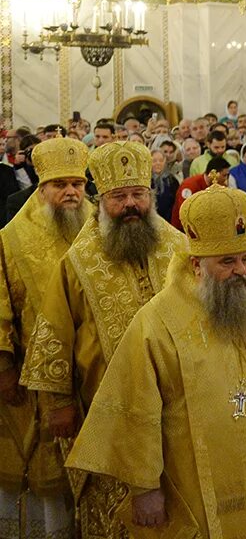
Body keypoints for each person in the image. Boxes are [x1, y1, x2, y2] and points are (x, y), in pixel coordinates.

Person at [66, 185, 246, 537]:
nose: (241, 270)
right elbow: (134, 410)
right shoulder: (157, 323)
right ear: (197, 265)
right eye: (227, 261)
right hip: (198, 485)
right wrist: (146, 488)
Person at [20, 141, 188, 539]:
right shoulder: (79, 261)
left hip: (179, 405)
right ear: (102, 200)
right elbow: (54, 335)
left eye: (138, 195)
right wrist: (59, 403)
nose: (131, 205)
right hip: (107, 409)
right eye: (119, 197)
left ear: (150, 195)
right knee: (114, 514)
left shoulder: (179, 248)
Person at [0, 138, 91, 538]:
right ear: (42, 188)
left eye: (78, 183)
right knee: (44, 471)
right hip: (30, 382)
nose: (71, 192)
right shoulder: (11, 238)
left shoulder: (99, 229)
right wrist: (3, 367)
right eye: (60, 185)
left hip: (91, 378)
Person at [171, 155, 233, 228]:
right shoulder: (190, 185)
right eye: (224, 175)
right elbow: (185, 212)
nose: (226, 179)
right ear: (213, 174)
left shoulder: (220, 186)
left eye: (227, 175)